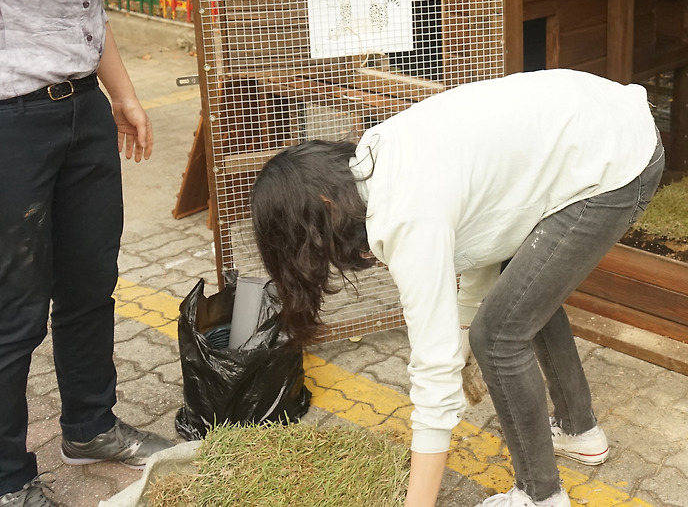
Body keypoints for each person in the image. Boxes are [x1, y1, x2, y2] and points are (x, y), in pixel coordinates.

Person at [250, 69, 664, 507]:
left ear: (324, 209)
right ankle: (580, 430)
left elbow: (433, 375)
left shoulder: (406, 215)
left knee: (499, 336)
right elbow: (490, 238)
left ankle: (540, 496)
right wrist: (461, 334)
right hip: (600, 119)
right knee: (520, 296)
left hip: (616, 159)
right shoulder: (376, 157)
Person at [0, 0, 176, 507]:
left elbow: (87, 5)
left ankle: (91, 424)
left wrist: (126, 95)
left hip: (81, 115)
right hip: (11, 124)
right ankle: (8, 477)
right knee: (13, 308)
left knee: (89, 278)